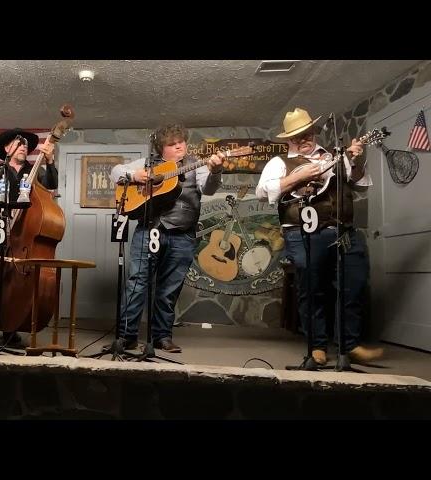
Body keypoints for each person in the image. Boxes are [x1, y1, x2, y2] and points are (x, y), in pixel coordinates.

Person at [256, 107, 384, 366]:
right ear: (288, 140)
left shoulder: (334, 156)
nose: (303, 140)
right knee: (312, 289)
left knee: (353, 285)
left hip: (343, 230)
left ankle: (350, 345)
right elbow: (262, 192)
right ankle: (317, 346)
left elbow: (358, 182)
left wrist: (355, 160)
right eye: (297, 137)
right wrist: (298, 177)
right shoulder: (280, 163)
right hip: (302, 232)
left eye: (307, 134)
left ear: (314, 131)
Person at [109, 124, 225, 353]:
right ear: (161, 148)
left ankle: (162, 337)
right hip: (148, 229)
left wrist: (216, 171)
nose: (179, 146)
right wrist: (134, 175)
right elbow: (115, 172)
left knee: (169, 289)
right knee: (137, 283)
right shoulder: (146, 164)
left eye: (181, 141)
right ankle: (127, 336)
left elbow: (209, 189)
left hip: (182, 235)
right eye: (172, 144)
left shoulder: (196, 165)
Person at [0, 128, 57, 346]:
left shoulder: (34, 172)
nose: (24, 146)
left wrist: (50, 161)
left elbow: (51, 184)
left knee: (14, 281)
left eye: (26, 144)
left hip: (24, 231)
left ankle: (9, 327)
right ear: (7, 148)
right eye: (19, 143)